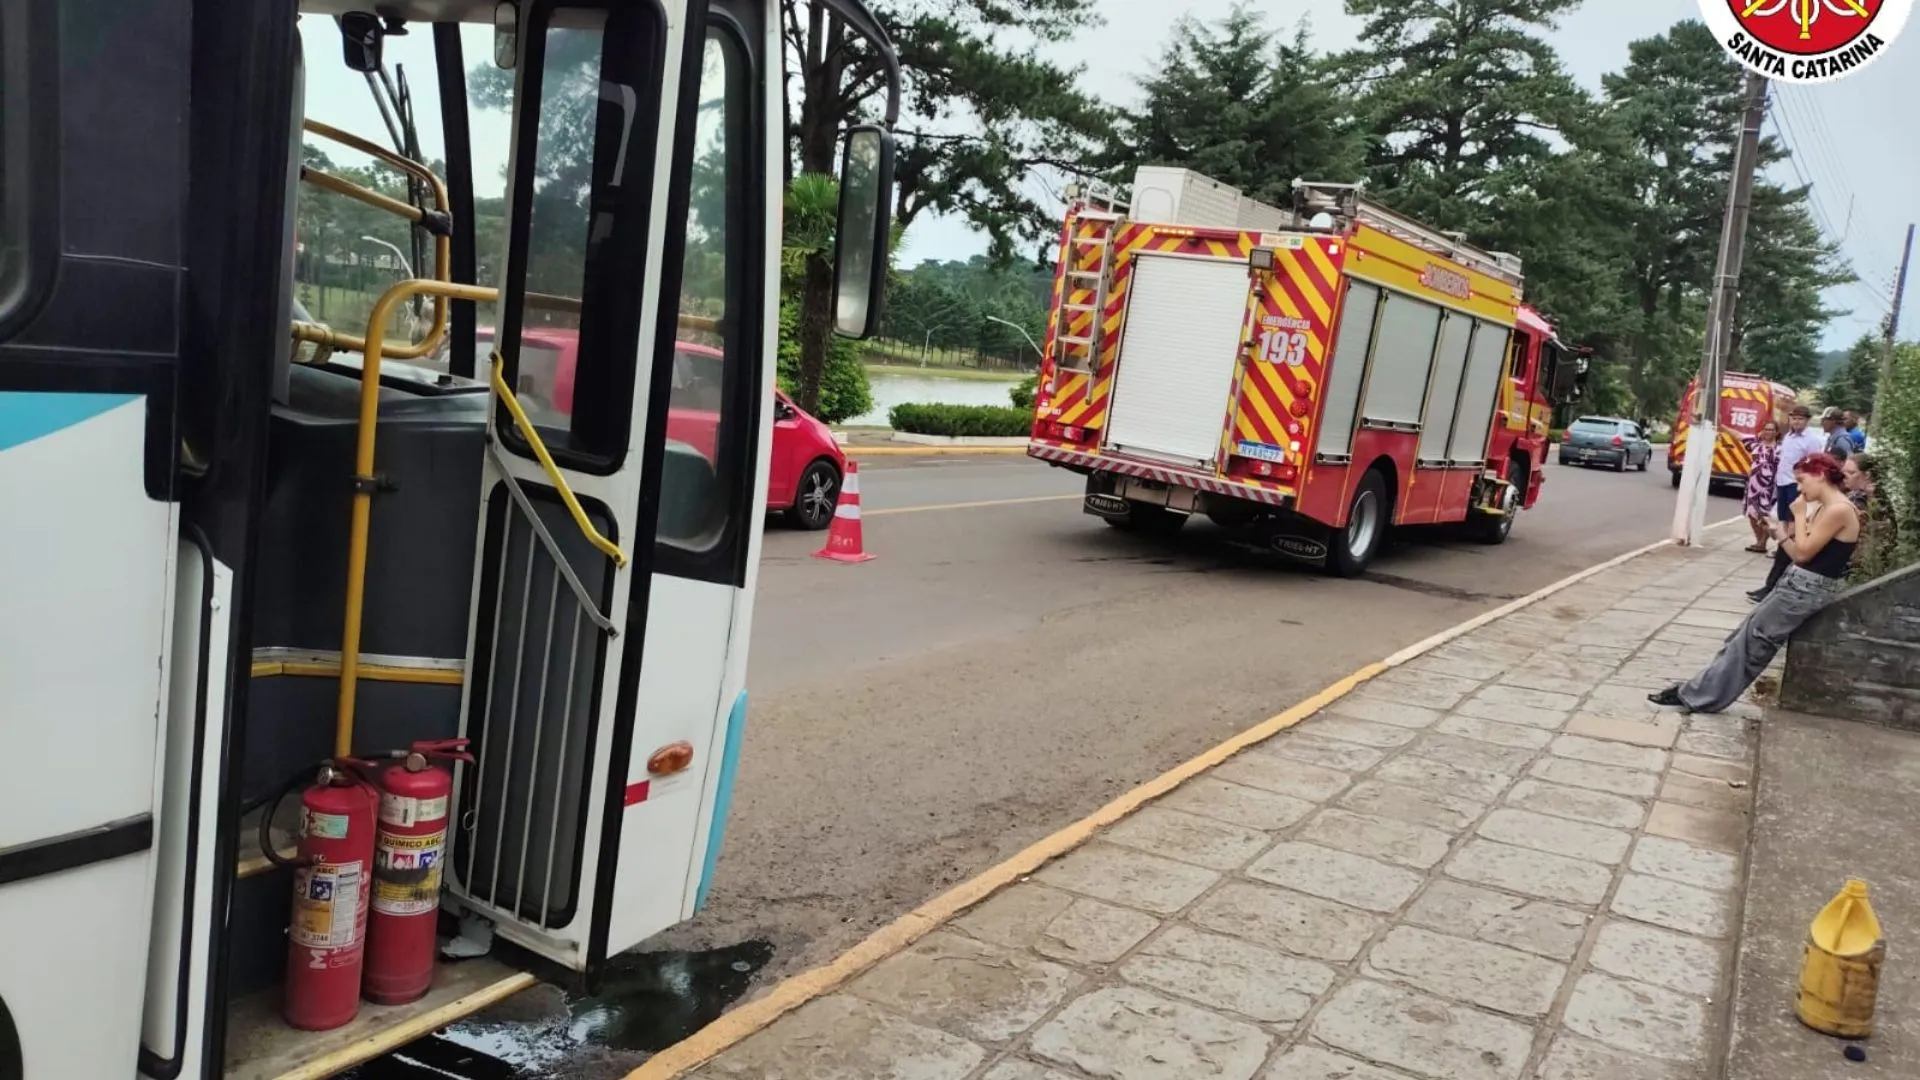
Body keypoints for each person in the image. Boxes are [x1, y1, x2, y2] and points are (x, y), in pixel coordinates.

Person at [1652, 452, 1859, 714]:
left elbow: (1804, 553)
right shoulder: (1828, 507)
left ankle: (1701, 697)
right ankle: (1698, 689)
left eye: (1801, 481)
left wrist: (1797, 515)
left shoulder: (1839, 509)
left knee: (1754, 645)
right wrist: (1783, 533)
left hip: (1806, 590)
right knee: (1741, 638)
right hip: (1798, 584)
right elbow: (1797, 555)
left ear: (1820, 475)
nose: (1798, 488)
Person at [1748, 405, 1826, 602]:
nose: (1796, 422)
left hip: (1796, 487)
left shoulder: (1812, 441)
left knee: (1790, 533)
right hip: (1782, 485)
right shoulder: (1788, 438)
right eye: (1794, 418)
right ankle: (1773, 585)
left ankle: (1775, 585)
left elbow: (1814, 468)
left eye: (1800, 419)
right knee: (1782, 527)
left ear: (1807, 421)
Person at [1842, 451, 1899, 583]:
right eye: (1844, 472)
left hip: (1862, 569)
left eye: (1851, 473)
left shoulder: (1870, 500)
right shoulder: (1861, 495)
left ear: (1867, 475)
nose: (1845, 477)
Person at [1740, 420, 1781, 554]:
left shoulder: (1780, 449)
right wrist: (1722, 425)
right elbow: (1739, 436)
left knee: (1765, 515)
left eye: (1771, 429)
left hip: (1769, 487)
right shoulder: (1756, 445)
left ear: (1776, 432)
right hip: (1753, 485)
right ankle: (1759, 541)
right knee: (1752, 514)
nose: (1768, 432)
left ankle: (1763, 542)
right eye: (1766, 429)